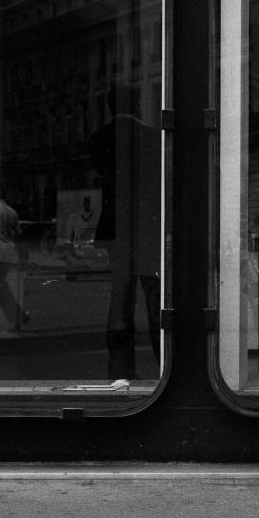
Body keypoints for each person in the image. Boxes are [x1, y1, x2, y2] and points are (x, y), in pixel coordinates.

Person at [90, 84, 161, 380]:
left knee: (120, 296)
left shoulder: (99, 138)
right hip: (148, 226)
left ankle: (120, 370)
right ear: (137, 104)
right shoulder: (152, 136)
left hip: (115, 227)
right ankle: (164, 363)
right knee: (155, 295)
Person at [0, 196, 28, 331]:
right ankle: (18, 318)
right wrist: (23, 256)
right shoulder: (12, 212)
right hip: (7, 254)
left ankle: (18, 317)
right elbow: (18, 234)